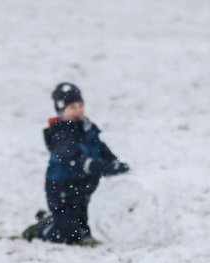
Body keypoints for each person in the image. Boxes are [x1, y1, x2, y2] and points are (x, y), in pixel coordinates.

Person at [22, 82, 130, 246]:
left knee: (84, 225)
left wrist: (113, 162)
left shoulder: (87, 129)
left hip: (85, 186)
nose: (78, 110)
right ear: (61, 111)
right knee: (68, 234)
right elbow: (71, 158)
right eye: (72, 107)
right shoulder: (60, 133)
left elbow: (100, 147)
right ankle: (42, 228)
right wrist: (92, 165)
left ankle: (64, 223)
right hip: (62, 188)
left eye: (80, 105)